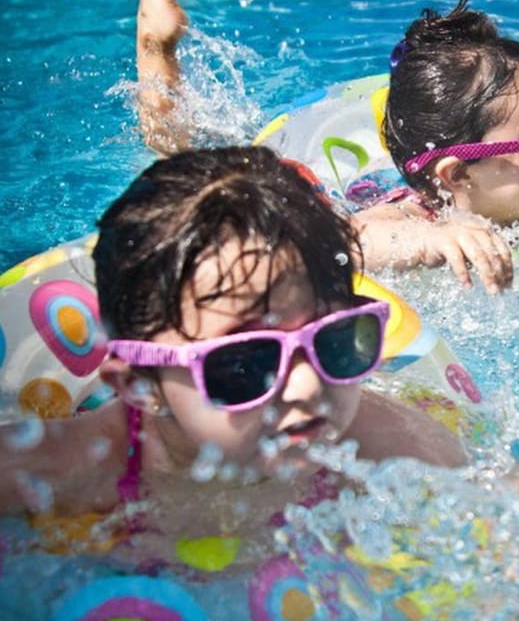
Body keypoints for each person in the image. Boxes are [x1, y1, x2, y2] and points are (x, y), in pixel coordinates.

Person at [0, 145, 466, 569]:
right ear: (138, 385)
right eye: (245, 363)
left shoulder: (389, 447)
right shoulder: (64, 472)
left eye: (335, 340)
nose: (307, 386)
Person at [134, 0, 519, 295]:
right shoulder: (411, 215)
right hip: (343, 195)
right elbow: (340, 245)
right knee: (187, 172)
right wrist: (430, 240)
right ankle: (157, 49)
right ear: (457, 175)